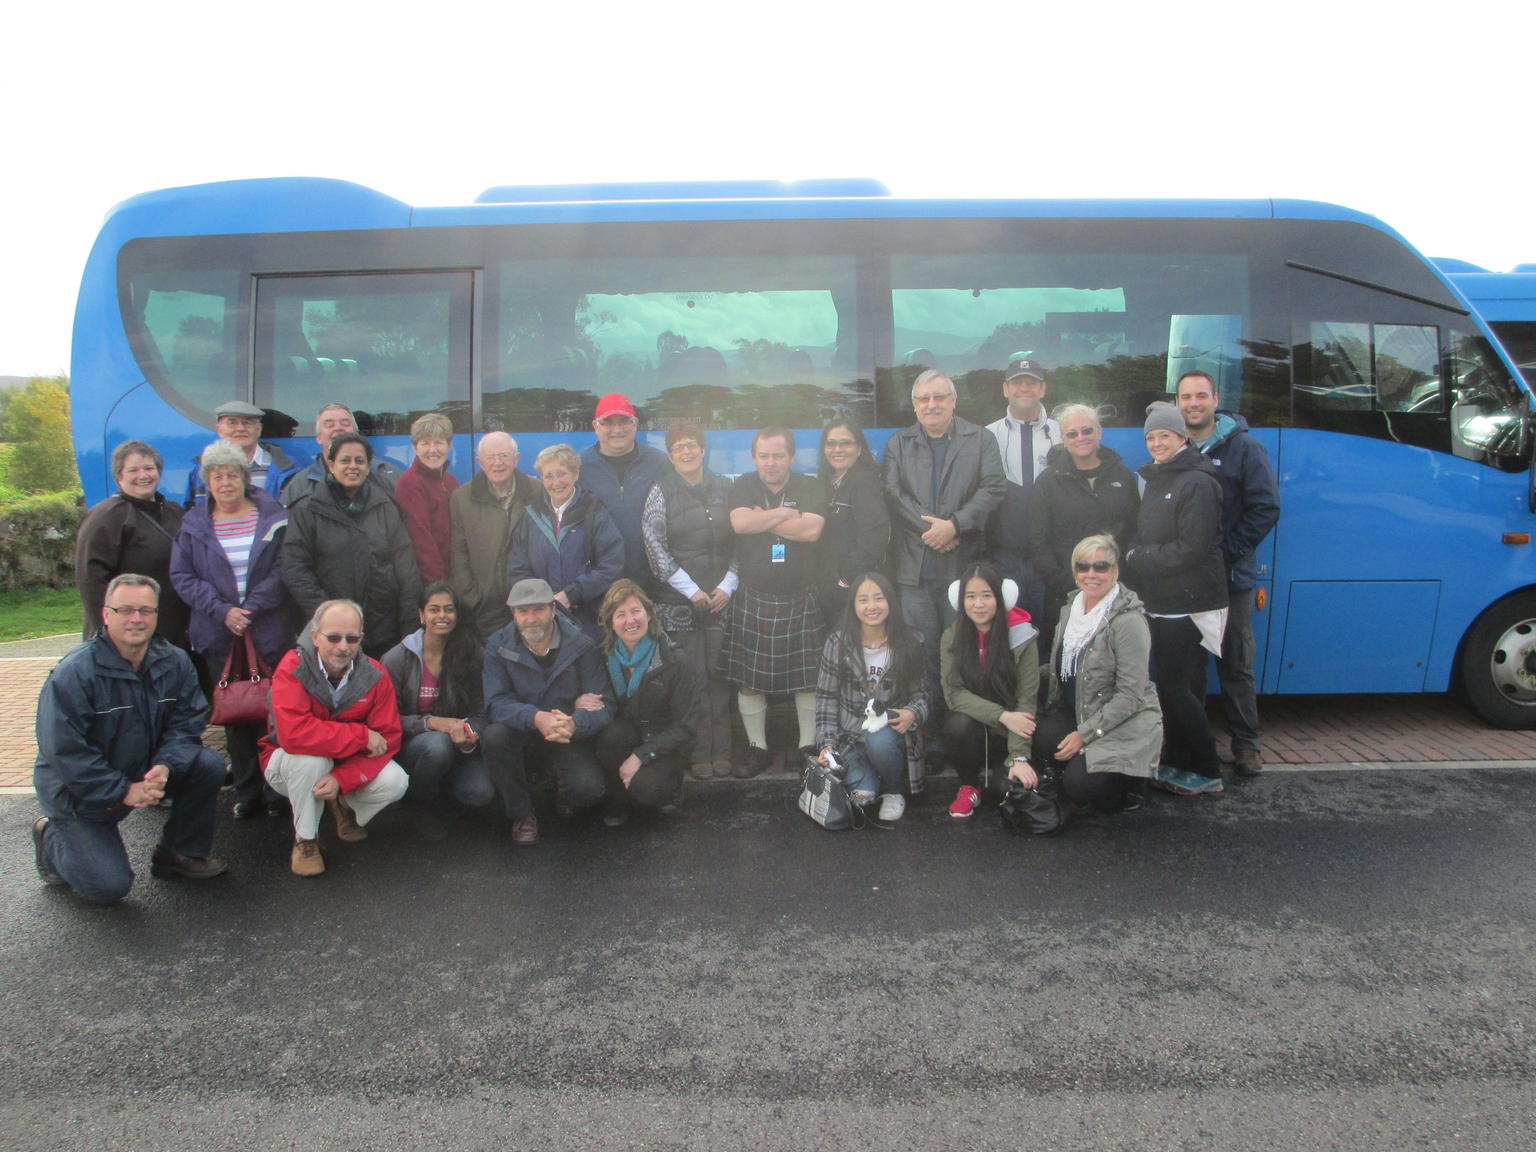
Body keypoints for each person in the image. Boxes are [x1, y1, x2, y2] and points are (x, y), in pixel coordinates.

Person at [31, 574, 227, 905]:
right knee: (108, 887)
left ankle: (178, 853)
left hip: (141, 768)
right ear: (106, 615)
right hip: (80, 793)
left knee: (207, 765)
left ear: (156, 615)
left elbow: (187, 723)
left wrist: (165, 766)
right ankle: (51, 840)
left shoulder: (176, 662)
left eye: (145, 610)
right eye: (125, 610)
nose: (136, 619)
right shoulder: (75, 674)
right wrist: (123, 790)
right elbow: (66, 753)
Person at [170, 440, 296, 820]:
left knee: (272, 714)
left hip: (267, 631)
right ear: (207, 481)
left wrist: (252, 607)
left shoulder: (273, 515)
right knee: (236, 715)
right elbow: (182, 576)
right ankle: (248, 791)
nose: (226, 482)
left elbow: (282, 569)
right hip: (219, 634)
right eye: (217, 475)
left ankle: (277, 791)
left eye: (233, 474)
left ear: (245, 477)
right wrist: (223, 611)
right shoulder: (192, 524)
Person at [882, 370, 1006, 726]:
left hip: (963, 571)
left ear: (954, 401)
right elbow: (892, 493)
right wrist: (933, 530)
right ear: (914, 405)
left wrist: (956, 524)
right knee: (922, 658)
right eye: (923, 399)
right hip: (914, 573)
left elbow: (993, 488)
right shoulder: (898, 443)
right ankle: (929, 734)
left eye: (939, 397)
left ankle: (964, 732)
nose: (931, 405)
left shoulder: (980, 440)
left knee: (963, 655)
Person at [1176, 370, 1281, 777]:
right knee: (1190, 668)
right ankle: (1194, 741)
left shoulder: (1245, 448)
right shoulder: (1172, 448)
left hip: (1230, 579)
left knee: (1236, 664)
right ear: (1178, 403)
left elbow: (1266, 508)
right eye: (1186, 397)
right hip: (1186, 582)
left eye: (1201, 395)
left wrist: (1229, 553)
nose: (1194, 404)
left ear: (1216, 400)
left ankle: (1246, 744)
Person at [1122, 401, 1228, 796]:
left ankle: (1206, 769)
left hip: (1189, 602)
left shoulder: (1197, 483)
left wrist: (1140, 558)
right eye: (1150, 436)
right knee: (1170, 686)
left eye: (1164, 435)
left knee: (1177, 689)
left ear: (1182, 437)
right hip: (1164, 602)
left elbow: (1193, 548)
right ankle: (1179, 763)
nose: (1156, 442)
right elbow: (1143, 530)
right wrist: (1135, 550)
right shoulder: (1160, 478)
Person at [259, 599, 409, 877]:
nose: (343, 646)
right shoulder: (292, 666)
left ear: (361, 639)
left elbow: (388, 739)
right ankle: (305, 840)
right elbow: (293, 735)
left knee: (396, 781)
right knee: (311, 761)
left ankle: (344, 805)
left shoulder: (375, 673)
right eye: (334, 637)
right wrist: (360, 734)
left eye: (352, 638)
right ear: (315, 637)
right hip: (287, 764)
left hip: (341, 766)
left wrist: (344, 779)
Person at [1023, 534, 1162, 813]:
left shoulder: (1128, 622)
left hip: (1121, 721)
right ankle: (1084, 767)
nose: (1091, 574)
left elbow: (1130, 696)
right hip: (1081, 710)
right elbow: (1060, 668)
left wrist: (1084, 735)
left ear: (1115, 571)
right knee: (1039, 736)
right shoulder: (1070, 611)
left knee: (1080, 787)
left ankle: (1129, 787)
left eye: (1101, 567)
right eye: (1083, 566)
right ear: (1074, 572)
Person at [718, 426, 828, 777]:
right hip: (754, 596)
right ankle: (757, 748)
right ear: (754, 457)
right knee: (749, 679)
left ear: (792, 457)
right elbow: (739, 523)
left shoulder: (809, 486)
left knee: (807, 677)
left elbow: (812, 531)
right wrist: (784, 517)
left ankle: (806, 746)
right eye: (764, 455)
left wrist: (761, 520)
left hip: (800, 595)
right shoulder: (743, 485)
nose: (771, 462)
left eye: (778, 455)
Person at [480, 578, 613, 845]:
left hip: (566, 733)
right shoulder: (498, 644)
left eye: (538, 609)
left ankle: (562, 786)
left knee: (587, 791)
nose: (531, 618)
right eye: (522, 611)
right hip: (521, 730)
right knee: (494, 736)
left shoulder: (582, 644)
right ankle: (521, 814)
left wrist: (576, 723)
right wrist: (535, 717)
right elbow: (495, 703)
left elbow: (604, 703)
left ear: (553, 609)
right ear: (513, 614)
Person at [641, 423, 738, 780]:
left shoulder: (727, 487)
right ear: (670, 454)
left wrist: (728, 585)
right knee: (690, 678)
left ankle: (723, 752)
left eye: (692, 445)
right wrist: (692, 590)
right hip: (678, 604)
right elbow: (654, 547)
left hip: (720, 601)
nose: (686, 451)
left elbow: (741, 541)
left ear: (703, 449)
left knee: (719, 677)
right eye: (679, 446)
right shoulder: (660, 490)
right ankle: (697, 753)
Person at [282, 431, 422, 658]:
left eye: (360, 461)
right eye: (345, 460)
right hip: (332, 635)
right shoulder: (307, 510)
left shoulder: (384, 506)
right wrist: (328, 615)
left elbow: (406, 568)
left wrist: (408, 623)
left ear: (368, 466)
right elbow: (295, 569)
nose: (352, 466)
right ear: (330, 464)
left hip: (383, 630)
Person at [814, 571, 927, 820]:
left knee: (879, 741)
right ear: (853, 605)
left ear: (890, 601)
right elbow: (825, 698)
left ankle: (894, 790)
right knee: (863, 797)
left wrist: (913, 713)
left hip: (891, 735)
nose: (872, 606)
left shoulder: (911, 641)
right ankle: (871, 779)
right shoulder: (838, 642)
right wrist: (827, 745)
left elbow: (922, 695)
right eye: (863, 600)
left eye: (879, 598)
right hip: (850, 738)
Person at [380, 582, 494, 811]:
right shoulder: (397, 659)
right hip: (415, 747)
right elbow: (385, 720)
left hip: (458, 745)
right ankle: (422, 805)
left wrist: (469, 738)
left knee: (479, 793)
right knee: (437, 746)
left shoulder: (473, 653)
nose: (442, 615)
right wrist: (431, 723)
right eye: (434, 609)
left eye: (449, 609)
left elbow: (482, 710)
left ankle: (443, 792)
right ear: (421, 615)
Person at [939, 562, 1040, 818]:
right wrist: (1002, 715)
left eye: (987, 595)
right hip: (975, 728)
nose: (978, 604)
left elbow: (1026, 700)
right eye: (970, 597)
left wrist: (1020, 757)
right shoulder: (952, 637)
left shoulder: (1023, 637)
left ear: (1001, 597)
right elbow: (953, 693)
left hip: (1010, 733)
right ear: (960, 601)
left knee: (1005, 790)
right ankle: (969, 786)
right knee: (956, 724)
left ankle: (1011, 768)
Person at [592, 579, 696, 825]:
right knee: (610, 735)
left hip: (664, 741)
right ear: (610, 623)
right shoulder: (604, 657)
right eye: (621, 614)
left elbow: (686, 726)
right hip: (625, 736)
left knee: (646, 792)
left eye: (636, 611)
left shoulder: (674, 659)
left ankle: (669, 787)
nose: (630, 621)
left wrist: (640, 756)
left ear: (649, 614)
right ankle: (617, 798)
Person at [1029, 403, 1140, 633]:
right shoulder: (1048, 482)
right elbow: (1037, 543)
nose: (1081, 437)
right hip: (1065, 596)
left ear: (1099, 431)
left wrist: (1116, 577)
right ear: (1063, 438)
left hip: (1115, 594)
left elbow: (1135, 530)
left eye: (1087, 430)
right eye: (1072, 433)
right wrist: (1068, 584)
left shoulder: (1124, 476)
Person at [75, 440, 191, 649]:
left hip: (172, 632)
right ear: (119, 476)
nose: (143, 475)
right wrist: (109, 632)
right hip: (128, 635)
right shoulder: (107, 516)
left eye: (149, 468)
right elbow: (90, 579)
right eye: (133, 470)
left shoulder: (173, 512)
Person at [505, 444, 624, 640]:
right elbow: (517, 568)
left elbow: (612, 565)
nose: (556, 482)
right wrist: (540, 601)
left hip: (588, 622)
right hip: (541, 622)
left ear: (575, 474)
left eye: (562, 474)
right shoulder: (530, 516)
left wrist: (572, 594)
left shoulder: (595, 512)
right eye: (548, 476)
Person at [985, 357, 1060, 618]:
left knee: (1047, 629)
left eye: (1031, 383)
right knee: (1009, 628)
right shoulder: (987, 436)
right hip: (1006, 556)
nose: (1024, 389)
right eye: (1017, 383)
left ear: (1043, 389)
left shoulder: (1062, 434)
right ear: (1006, 389)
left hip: (1050, 555)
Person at [448, 430, 542, 640]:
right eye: (491, 457)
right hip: (485, 608)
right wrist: (473, 599)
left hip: (529, 603)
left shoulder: (537, 491)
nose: (497, 463)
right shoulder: (462, 498)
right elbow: (458, 553)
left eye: (504, 456)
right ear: (480, 462)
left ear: (516, 459)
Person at [579, 392, 668, 586]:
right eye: (608, 422)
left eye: (624, 421)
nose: (617, 429)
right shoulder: (579, 467)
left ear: (635, 423)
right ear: (595, 426)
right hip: (600, 580)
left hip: (652, 580)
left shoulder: (660, 462)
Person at [815, 418, 890, 623]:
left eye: (845, 443)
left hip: (852, 588)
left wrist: (846, 579)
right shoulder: (826, 483)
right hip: (828, 585)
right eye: (831, 443)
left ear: (859, 449)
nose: (837, 449)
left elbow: (874, 537)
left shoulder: (864, 482)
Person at [182, 400, 301, 507]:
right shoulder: (202, 469)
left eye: (247, 423)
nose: (240, 428)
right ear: (219, 429)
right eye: (232, 422)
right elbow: (190, 513)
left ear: (259, 429)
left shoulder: (286, 467)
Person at [280, 402, 401, 506]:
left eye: (345, 424)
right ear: (318, 437)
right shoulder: (298, 486)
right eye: (329, 425)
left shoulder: (388, 475)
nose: (338, 428)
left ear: (356, 433)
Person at [394, 412, 460, 582]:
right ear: (415, 447)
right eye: (425, 444)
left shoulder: (450, 480)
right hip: (431, 581)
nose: (433, 450)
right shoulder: (410, 483)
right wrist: (439, 586)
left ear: (449, 444)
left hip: (453, 575)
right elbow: (421, 543)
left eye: (439, 442)